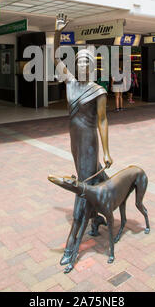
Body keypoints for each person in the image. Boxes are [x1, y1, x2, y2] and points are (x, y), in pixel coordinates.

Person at [54, 13, 113, 266]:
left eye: (87, 64)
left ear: (93, 67)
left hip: (89, 140)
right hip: (74, 140)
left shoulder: (98, 91)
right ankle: (100, 213)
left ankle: (72, 245)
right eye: (79, 63)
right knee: (90, 177)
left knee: (81, 186)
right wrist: (57, 32)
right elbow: (55, 57)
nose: (82, 67)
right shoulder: (70, 82)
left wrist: (107, 151)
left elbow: (102, 120)